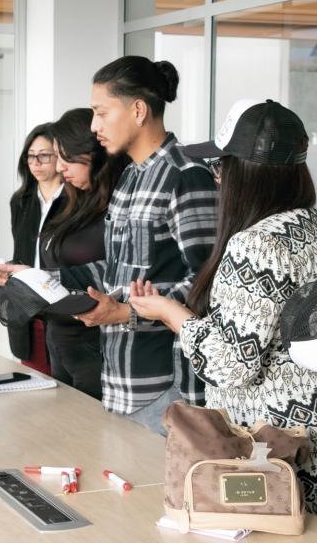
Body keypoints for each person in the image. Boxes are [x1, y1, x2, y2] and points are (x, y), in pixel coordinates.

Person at [129, 99, 317, 513]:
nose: (216, 179)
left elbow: (232, 365)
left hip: (275, 451)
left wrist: (170, 313)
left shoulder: (255, 244)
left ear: (243, 174)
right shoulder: (309, 226)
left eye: (220, 167)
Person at [72, 56, 218, 434]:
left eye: (101, 113)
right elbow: (117, 269)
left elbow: (210, 278)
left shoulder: (187, 176)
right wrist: (38, 279)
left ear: (138, 110)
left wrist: (125, 313)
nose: (94, 126)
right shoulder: (129, 178)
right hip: (120, 379)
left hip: (165, 386)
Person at [37, 109, 127, 398]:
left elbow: (119, 273)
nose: (60, 168)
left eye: (67, 158)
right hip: (60, 340)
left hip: (95, 345)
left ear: (94, 154)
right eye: (57, 158)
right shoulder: (70, 200)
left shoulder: (119, 206)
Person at [0, 123, 63, 374]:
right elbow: (22, 250)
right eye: (30, 156)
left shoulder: (76, 198)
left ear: (61, 156)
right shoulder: (21, 201)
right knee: (35, 378)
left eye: (44, 155)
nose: (36, 162)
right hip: (29, 305)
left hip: (62, 302)